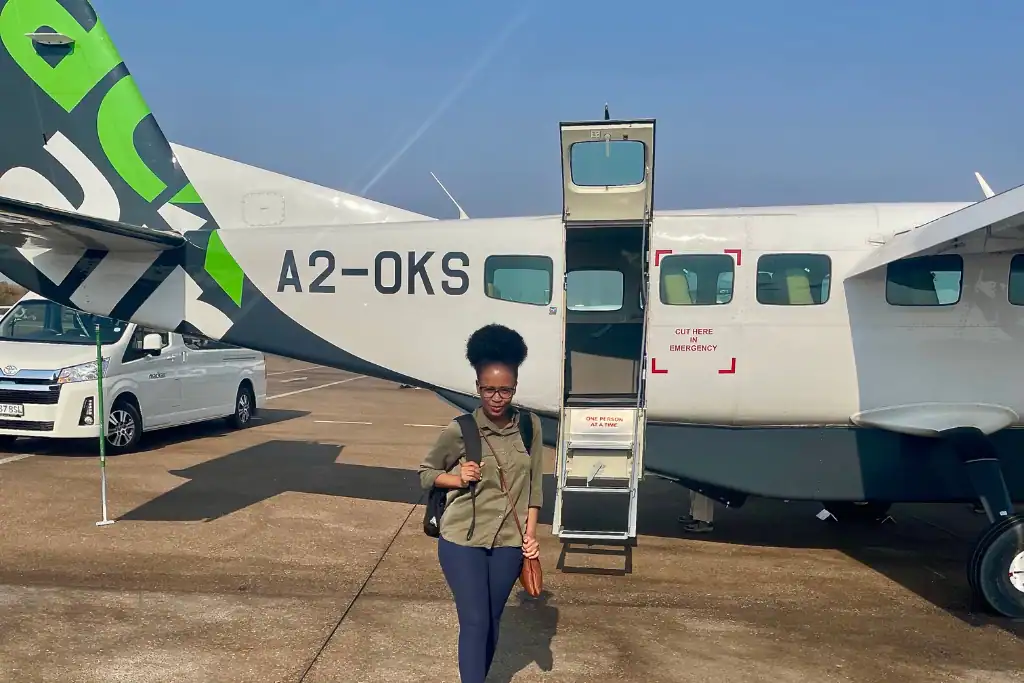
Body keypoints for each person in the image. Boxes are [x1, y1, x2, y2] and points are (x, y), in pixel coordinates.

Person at [418, 323, 544, 683]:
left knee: (491, 620)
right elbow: (426, 473)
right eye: (489, 389)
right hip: (462, 539)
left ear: (515, 387)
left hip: (509, 544)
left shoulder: (529, 427)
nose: (497, 397)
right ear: (477, 387)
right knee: (474, 620)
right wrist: (458, 478)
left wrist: (530, 537)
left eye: (505, 390)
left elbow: (534, 487)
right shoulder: (461, 429)